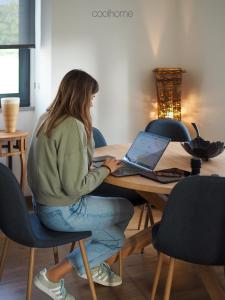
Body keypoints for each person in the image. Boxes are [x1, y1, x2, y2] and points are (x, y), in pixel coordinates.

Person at [27, 69, 134, 300]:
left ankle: (91, 261)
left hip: (44, 204)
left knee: (119, 219)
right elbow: (75, 188)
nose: (92, 103)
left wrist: (91, 166)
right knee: (120, 226)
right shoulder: (71, 126)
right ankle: (55, 275)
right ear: (82, 97)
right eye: (91, 97)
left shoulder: (47, 117)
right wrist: (105, 169)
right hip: (63, 210)